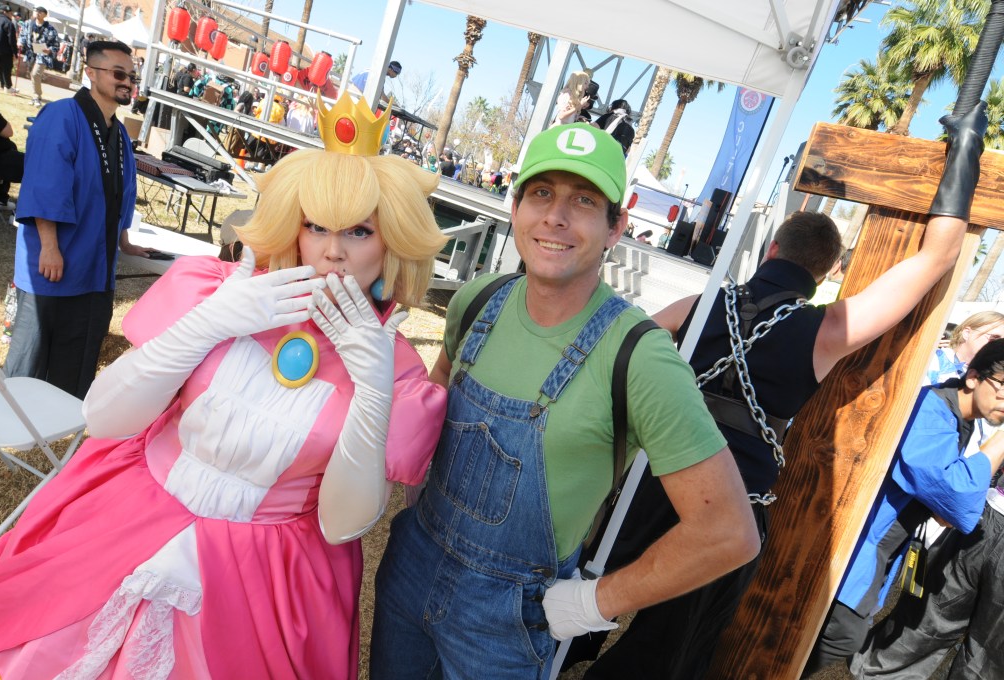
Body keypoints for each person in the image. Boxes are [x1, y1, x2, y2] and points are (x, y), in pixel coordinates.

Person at [0, 92, 450, 679]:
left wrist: (375, 392)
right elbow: (101, 418)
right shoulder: (222, 291)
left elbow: (341, 524)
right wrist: (209, 323)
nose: (333, 251)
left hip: (259, 586)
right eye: (316, 227)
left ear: (391, 243)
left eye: (358, 232)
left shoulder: (398, 373)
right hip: (125, 520)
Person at [581, 102, 989, 680]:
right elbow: (938, 256)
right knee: (670, 652)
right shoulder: (824, 332)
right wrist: (965, 150)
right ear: (825, 271)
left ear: (772, 248)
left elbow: (629, 341)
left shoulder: (700, 308)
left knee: (587, 596)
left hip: (654, 479)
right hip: (732, 501)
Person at [370, 123, 760, 680]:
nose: (556, 216)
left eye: (583, 200)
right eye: (542, 192)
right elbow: (430, 408)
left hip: (509, 619)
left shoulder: (640, 358)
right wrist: (412, 500)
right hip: (411, 567)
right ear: (516, 204)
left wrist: (592, 603)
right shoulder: (477, 300)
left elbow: (728, 532)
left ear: (616, 226)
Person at [807, 340, 1004, 674]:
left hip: (877, 552)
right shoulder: (931, 408)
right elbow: (954, 494)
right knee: (837, 637)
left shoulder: (957, 418)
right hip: (853, 549)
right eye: (1003, 387)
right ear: (973, 377)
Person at [3, 40, 147, 399]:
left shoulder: (119, 134)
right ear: (91, 72)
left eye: (131, 76)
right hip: (56, 258)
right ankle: (17, 410)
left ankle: (63, 408)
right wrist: (49, 247)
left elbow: (122, 192)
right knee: (33, 347)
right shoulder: (62, 116)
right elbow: (44, 185)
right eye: (118, 74)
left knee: (81, 345)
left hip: (95, 263)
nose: (126, 82)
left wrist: (124, 241)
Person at [20, 5, 58, 107]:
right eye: (37, 11)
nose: (38, 13)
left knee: (35, 74)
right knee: (32, 75)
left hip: (43, 55)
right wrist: (20, 43)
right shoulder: (28, 24)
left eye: (41, 12)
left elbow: (56, 45)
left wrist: (49, 50)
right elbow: (23, 35)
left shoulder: (50, 29)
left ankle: (36, 96)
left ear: (45, 15)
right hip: (30, 53)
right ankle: (36, 95)